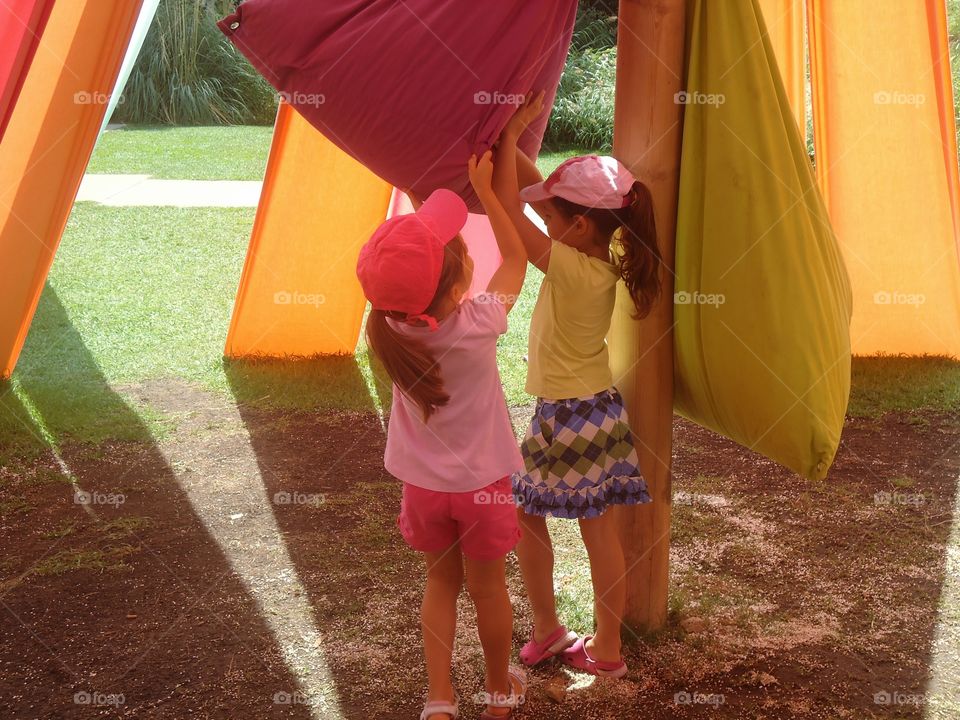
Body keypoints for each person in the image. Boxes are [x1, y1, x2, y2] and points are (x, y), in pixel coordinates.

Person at [492, 92, 663, 678]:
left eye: (556, 216)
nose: (548, 220)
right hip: (600, 412)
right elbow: (538, 202)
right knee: (596, 533)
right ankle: (605, 646)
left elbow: (512, 213)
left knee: (525, 515)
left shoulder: (565, 266)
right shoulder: (596, 258)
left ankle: (550, 630)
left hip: (563, 416)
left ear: (580, 225)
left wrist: (496, 159)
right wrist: (512, 139)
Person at [357, 152, 528, 719]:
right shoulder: (479, 323)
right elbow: (518, 259)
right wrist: (487, 189)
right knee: (489, 591)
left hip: (424, 490)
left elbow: (416, 290)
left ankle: (438, 698)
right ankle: (498, 693)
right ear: (459, 277)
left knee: (440, 584)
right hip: (482, 487)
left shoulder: (387, 331)